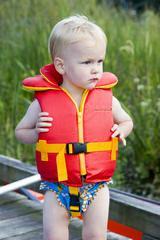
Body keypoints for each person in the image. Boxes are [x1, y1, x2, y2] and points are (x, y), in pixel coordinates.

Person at [15, 15, 133, 240]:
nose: (96, 69)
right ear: (61, 65)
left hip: (96, 185)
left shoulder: (107, 99)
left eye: (99, 61)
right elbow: (20, 132)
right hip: (57, 185)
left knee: (96, 235)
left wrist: (122, 130)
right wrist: (37, 131)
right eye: (87, 62)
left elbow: (127, 121)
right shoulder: (42, 103)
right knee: (54, 235)